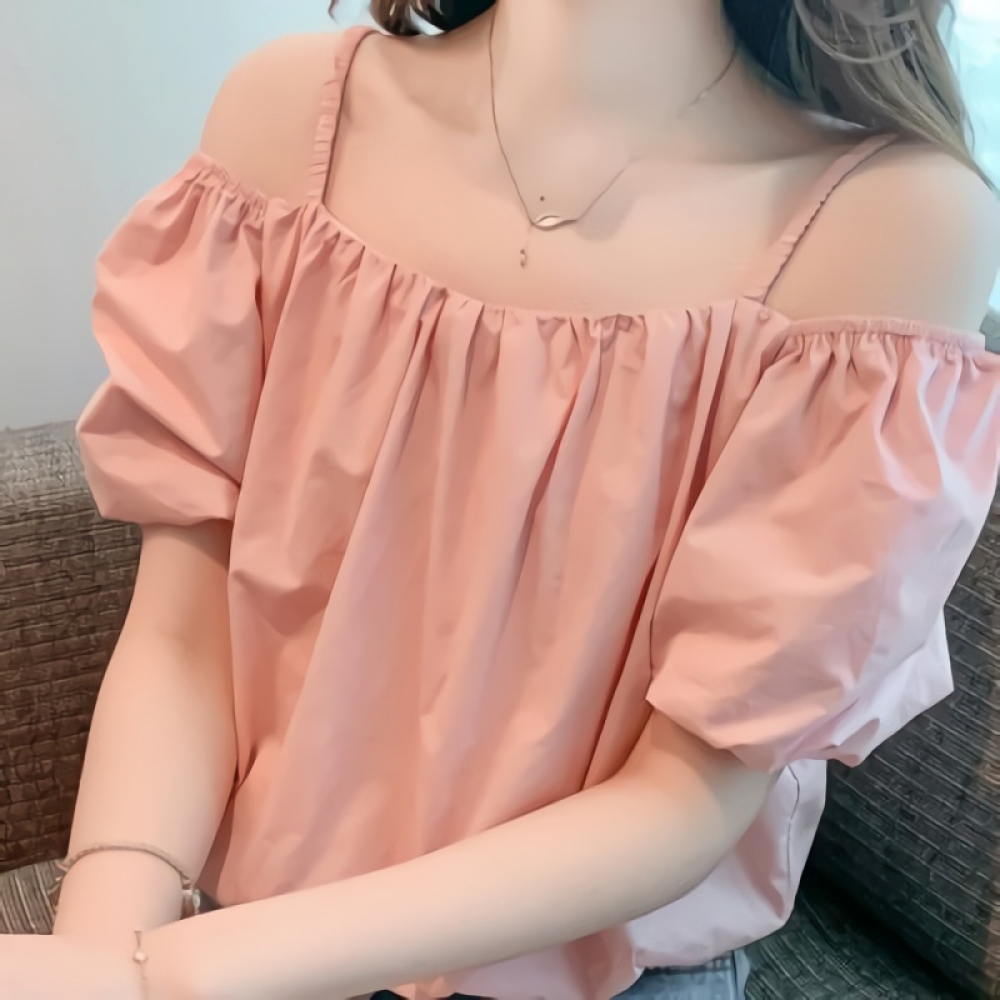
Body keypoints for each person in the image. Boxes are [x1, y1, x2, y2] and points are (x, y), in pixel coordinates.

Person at [3, 1, 999, 998]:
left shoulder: (889, 223)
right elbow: (183, 643)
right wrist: (106, 949)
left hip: (585, 973)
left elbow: (686, 791)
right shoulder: (286, 117)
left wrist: (164, 977)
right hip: (234, 934)